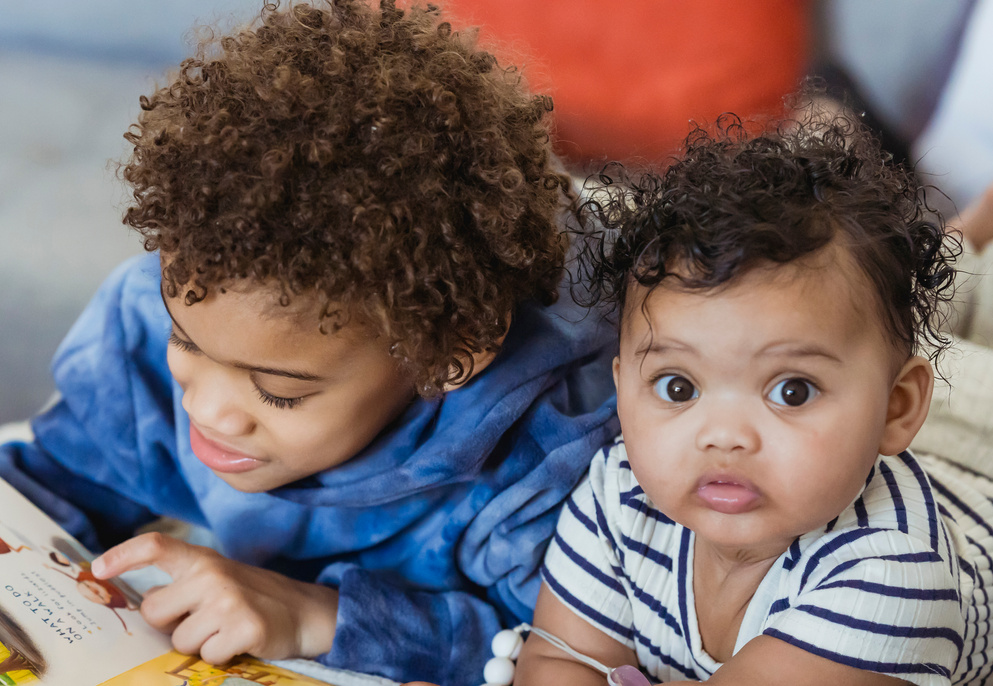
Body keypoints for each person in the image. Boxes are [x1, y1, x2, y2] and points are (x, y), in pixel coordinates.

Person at [0, 1, 618, 684]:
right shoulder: (171, 310)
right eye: (185, 341)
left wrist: (320, 615)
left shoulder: (542, 456)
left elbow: (560, 650)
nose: (205, 410)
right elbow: (57, 483)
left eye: (278, 391)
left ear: (448, 357)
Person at [513, 113, 993, 685]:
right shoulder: (619, 493)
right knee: (897, 315)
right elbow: (558, 660)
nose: (724, 436)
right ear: (622, 391)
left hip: (976, 470)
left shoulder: (893, 574)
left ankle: (972, 239)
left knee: (958, 325)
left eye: (792, 391)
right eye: (678, 387)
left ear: (897, 408)